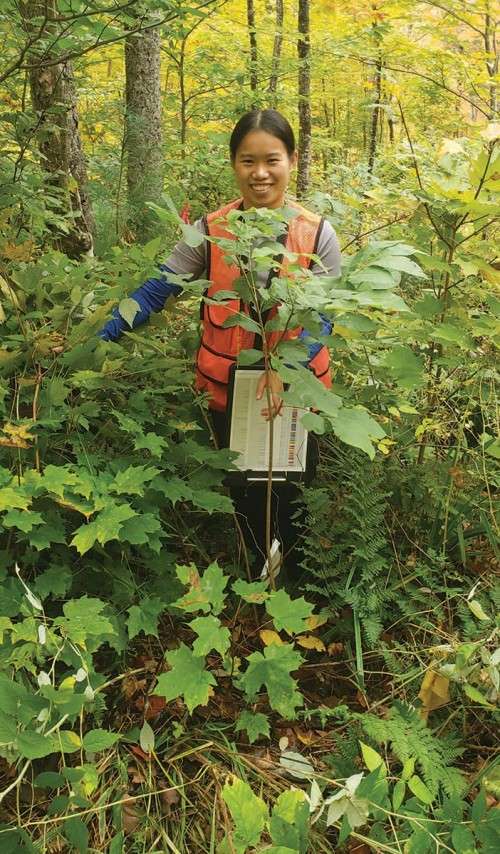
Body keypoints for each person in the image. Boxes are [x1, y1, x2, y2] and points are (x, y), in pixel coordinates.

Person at [99, 109, 341, 575]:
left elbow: (322, 315)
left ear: (291, 160)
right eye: (248, 161)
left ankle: (289, 581)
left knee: (291, 492)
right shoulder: (211, 229)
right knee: (243, 490)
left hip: (295, 394)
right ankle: (254, 574)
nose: (261, 173)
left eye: (272, 159)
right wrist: (103, 332)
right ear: (234, 165)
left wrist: (285, 372)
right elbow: (158, 289)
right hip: (225, 392)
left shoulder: (317, 232)